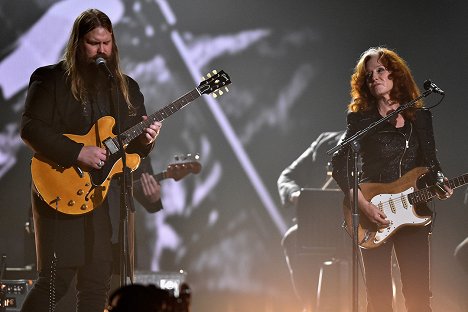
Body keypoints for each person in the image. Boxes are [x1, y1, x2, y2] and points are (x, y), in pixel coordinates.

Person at [19, 9, 162, 312]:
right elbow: (30, 128)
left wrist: (147, 140)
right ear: (77, 43)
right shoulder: (50, 79)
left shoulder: (126, 88)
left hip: (100, 196)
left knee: (97, 282)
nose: (101, 51)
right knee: (54, 283)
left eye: (106, 43)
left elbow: (131, 150)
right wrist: (77, 152)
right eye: (93, 43)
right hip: (59, 187)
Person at [331, 46, 453, 312]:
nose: (374, 77)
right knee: (379, 301)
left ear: (396, 74)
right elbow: (338, 162)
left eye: (380, 71)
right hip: (372, 212)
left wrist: (440, 183)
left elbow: (432, 165)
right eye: (368, 74)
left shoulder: (421, 117)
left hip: (414, 213)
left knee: (419, 299)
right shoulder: (362, 119)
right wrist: (361, 204)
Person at [277, 131, 344, 312]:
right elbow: (287, 177)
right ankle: (310, 306)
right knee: (293, 238)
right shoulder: (325, 142)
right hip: (323, 226)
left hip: (364, 223)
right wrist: (295, 194)